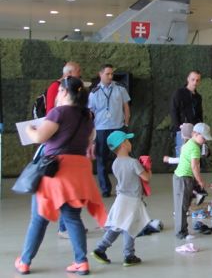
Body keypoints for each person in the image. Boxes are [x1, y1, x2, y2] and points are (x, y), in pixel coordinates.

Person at [15, 76, 107, 276]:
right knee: (73, 217)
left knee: (39, 218)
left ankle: (24, 261)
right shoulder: (86, 116)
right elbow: (88, 140)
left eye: (58, 91)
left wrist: (30, 129)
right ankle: (81, 262)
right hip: (77, 172)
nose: (57, 94)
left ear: (64, 92)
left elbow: (39, 137)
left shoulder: (58, 112)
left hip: (55, 172)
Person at [91, 130, 150, 267]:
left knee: (117, 225)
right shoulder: (133, 162)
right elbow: (146, 177)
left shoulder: (115, 163)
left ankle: (100, 248)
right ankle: (129, 255)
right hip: (132, 200)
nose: (130, 143)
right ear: (123, 144)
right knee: (130, 227)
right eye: (127, 141)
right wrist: (148, 168)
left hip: (121, 199)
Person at [44, 61, 82, 239]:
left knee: (71, 190)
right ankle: (65, 227)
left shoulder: (74, 92)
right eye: (78, 71)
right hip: (59, 147)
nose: (80, 74)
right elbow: (51, 114)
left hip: (69, 147)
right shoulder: (55, 88)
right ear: (69, 74)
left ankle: (69, 226)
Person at [88, 64, 131, 197]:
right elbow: (90, 113)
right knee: (101, 160)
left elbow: (126, 107)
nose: (110, 76)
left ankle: (125, 186)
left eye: (112, 74)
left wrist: (126, 124)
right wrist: (91, 131)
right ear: (100, 74)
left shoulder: (120, 89)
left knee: (123, 158)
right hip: (101, 129)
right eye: (107, 74)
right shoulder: (94, 92)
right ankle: (105, 189)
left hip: (118, 127)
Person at [173, 122, 212, 239]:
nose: (205, 140)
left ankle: (183, 229)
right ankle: (181, 233)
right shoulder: (195, 148)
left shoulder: (189, 143)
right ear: (195, 134)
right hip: (183, 178)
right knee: (181, 207)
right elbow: (195, 166)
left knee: (184, 205)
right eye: (203, 137)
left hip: (183, 178)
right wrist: (200, 181)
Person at [170, 71, 203, 157]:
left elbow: (200, 114)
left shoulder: (198, 97)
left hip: (195, 131)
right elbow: (174, 111)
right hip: (182, 130)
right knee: (182, 155)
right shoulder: (179, 93)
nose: (195, 82)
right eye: (193, 79)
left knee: (194, 154)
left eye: (197, 80)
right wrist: (178, 127)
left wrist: (200, 129)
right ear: (188, 79)